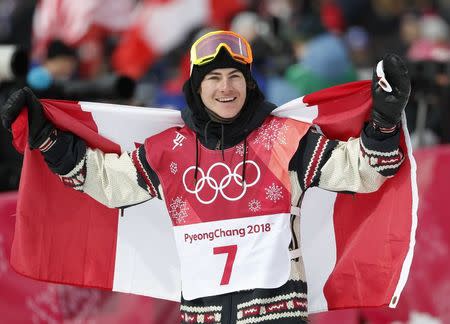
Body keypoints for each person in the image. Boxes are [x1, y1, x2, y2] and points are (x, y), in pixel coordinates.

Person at [0, 30, 410, 323]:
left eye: (235, 77)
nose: (226, 87)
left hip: (276, 317)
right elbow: (109, 183)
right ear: (196, 88)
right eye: (213, 78)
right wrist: (47, 137)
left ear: (249, 84)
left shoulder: (286, 138)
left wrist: (385, 120)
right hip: (203, 317)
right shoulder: (167, 150)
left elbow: (362, 171)